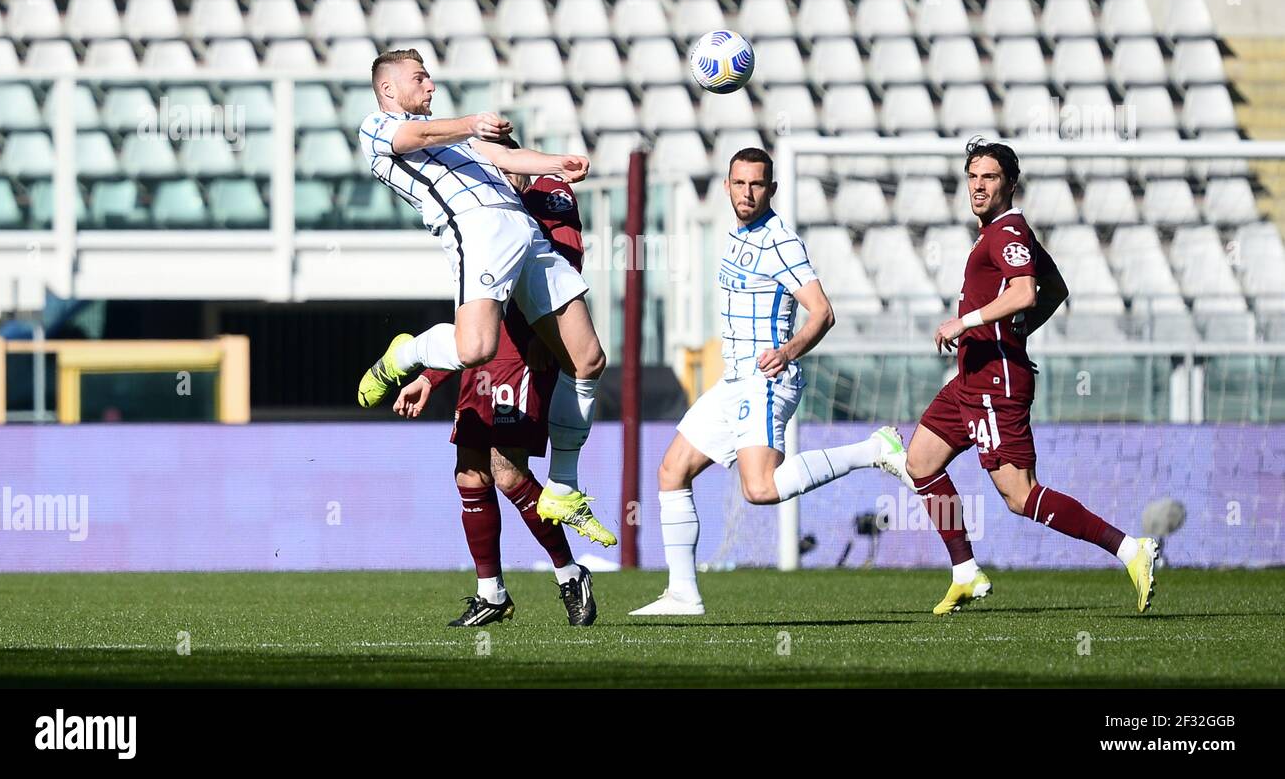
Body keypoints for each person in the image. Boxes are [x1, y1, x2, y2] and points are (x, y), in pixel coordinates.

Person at [630, 147, 909, 617]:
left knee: (758, 490)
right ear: (726, 186)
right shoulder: (737, 235)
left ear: (772, 189)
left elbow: (823, 312)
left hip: (764, 380)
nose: (747, 192)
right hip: (732, 381)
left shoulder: (780, 240)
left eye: (757, 184)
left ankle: (874, 450)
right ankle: (682, 593)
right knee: (671, 470)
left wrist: (787, 351)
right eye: (739, 183)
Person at [355, 49, 613, 546]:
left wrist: (557, 162)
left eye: (429, 77)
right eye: (419, 78)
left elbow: (505, 157)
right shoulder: (377, 127)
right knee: (476, 349)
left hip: (524, 234)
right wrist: (471, 122)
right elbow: (411, 136)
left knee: (588, 359)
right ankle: (407, 352)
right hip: (479, 230)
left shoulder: (453, 138)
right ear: (389, 90)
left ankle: (563, 485)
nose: (429, 86)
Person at [905, 136, 1158, 615]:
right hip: (970, 380)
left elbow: (1025, 292)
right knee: (920, 461)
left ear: (1011, 184)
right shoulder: (1000, 232)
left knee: (1020, 497)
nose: (978, 186)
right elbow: (1054, 288)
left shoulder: (1007, 234)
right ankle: (965, 572)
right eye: (973, 177)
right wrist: (1011, 332)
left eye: (990, 178)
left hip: (995, 385)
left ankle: (1130, 549)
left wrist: (968, 321)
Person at [393, 159, 596, 627]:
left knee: (506, 472)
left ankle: (569, 574)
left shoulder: (549, 190)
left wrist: (549, 338)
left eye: (501, 160)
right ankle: (492, 593)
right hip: (483, 350)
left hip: (523, 351)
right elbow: (475, 300)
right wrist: (430, 377)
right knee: (469, 473)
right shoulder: (474, 196)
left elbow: (564, 262)